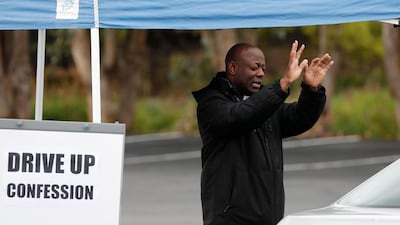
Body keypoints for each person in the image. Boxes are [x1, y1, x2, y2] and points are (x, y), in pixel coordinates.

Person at [192, 41, 334, 225]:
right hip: (230, 218)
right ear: (233, 67)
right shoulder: (211, 103)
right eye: (254, 67)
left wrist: (311, 89)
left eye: (263, 68)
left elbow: (299, 118)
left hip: (269, 217)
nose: (260, 73)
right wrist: (282, 84)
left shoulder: (263, 103)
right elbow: (240, 116)